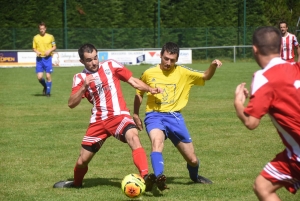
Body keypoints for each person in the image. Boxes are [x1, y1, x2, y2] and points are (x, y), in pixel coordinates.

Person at [53, 43, 162, 189]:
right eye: (89, 60)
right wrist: (84, 87)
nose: (94, 62)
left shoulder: (111, 65)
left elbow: (133, 81)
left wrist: (150, 89)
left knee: (134, 137)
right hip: (98, 121)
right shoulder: (80, 77)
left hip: (119, 116)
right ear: (82, 62)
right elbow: (71, 103)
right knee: (82, 161)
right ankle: (76, 184)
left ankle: (146, 177)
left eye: (95, 58)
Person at [133, 42, 222, 191]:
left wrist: (212, 66)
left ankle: (195, 177)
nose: (168, 63)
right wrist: (135, 113)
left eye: (172, 60)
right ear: (160, 56)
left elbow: (206, 76)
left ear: (177, 59)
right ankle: (159, 177)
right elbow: (139, 92)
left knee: (192, 160)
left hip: (175, 118)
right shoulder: (149, 73)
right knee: (157, 142)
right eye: (166, 58)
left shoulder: (183, 72)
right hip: (154, 115)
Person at [234, 26, 300, 201]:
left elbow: (251, 122)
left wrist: (238, 103)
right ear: (280, 47)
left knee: (263, 188)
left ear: (254, 49)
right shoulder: (297, 68)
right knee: (262, 185)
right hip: (293, 154)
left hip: (298, 155)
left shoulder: (263, 77)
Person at [32, 22, 56, 97]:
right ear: (39, 29)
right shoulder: (35, 37)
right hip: (39, 60)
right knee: (39, 77)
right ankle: (45, 86)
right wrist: (37, 51)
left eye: (43, 29)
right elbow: (34, 48)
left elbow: (54, 47)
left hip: (47, 59)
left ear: (45, 28)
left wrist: (49, 51)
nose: (42, 30)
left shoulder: (50, 37)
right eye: (40, 29)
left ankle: (48, 93)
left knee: (48, 76)